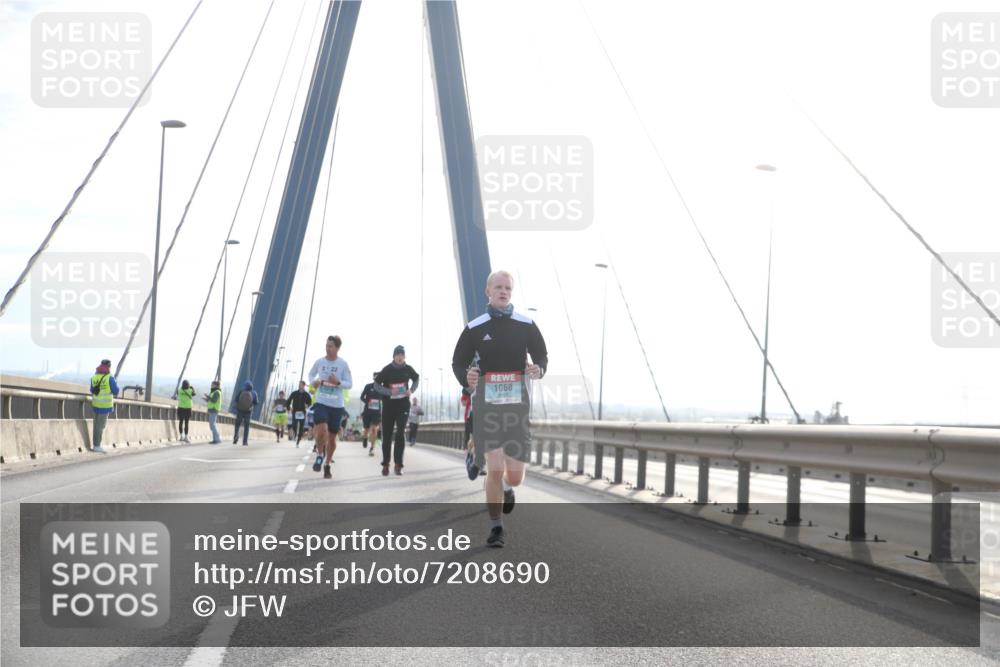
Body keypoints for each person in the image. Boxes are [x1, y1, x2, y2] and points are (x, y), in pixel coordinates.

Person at [452, 270, 547, 547]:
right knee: (494, 467)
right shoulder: (475, 327)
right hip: (488, 408)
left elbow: (542, 355)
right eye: (498, 287)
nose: (503, 291)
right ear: (488, 291)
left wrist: (538, 368)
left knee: (514, 477)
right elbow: (458, 362)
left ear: (511, 292)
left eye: (507, 288)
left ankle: (508, 488)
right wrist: (466, 377)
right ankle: (496, 528)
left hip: (517, 409)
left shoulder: (526, 324)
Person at [308, 335, 352, 480]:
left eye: (331, 346)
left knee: (332, 439)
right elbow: (311, 374)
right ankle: (320, 455)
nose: (327, 348)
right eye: (326, 345)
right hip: (321, 402)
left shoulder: (343, 364)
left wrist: (338, 382)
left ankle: (327, 464)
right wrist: (313, 382)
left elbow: (349, 383)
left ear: (337, 348)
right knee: (321, 430)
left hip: (336, 405)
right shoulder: (320, 362)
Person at [373, 345, 419, 476]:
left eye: (402, 355)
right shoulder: (387, 369)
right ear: (393, 356)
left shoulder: (408, 369)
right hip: (388, 407)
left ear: (404, 357)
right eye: (397, 354)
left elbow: (416, 379)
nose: (400, 357)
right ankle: (386, 464)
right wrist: (389, 392)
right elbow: (376, 385)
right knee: (386, 436)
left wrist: (411, 390)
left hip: (403, 406)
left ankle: (398, 465)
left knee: (400, 433)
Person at [89, 358, 119, 453]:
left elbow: (91, 390)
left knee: (96, 425)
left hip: (95, 404)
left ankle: (95, 445)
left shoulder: (94, 377)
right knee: (100, 426)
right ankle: (97, 446)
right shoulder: (110, 378)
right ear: (109, 367)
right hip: (104, 406)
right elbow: (116, 391)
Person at [359, 372, 382, 457]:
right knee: (366, 430)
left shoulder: (382, 388)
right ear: (373, 378)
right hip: (368, 411)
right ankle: (365, 438)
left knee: (374, 430)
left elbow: (386, 398)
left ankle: (372, 448)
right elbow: (362, 397)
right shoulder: (368, 386)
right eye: (375, 377)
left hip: (376, 412)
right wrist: (367, 402)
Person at [287, 380, 313, 447]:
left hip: (302, 412)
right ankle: (295, 434)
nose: (299, 386)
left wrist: (307, 405)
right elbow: (289, 400)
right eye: (299, 384)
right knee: (294, 424)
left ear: (304, 386)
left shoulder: (306, 394)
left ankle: (298, 441)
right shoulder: (294, 393)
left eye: (301, 384)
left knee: (301, 427)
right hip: (295, 411)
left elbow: (310, 402)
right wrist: (289, 408)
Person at [233, 380, 258, 446]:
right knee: (246, 427)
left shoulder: (241, 391)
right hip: (248, 412)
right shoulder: (254, 393)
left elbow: (236, 400)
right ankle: (245, 441)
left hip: (240, 411)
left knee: (237, 425)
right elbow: (256, 403)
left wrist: (236, 407)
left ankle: (236, 436)